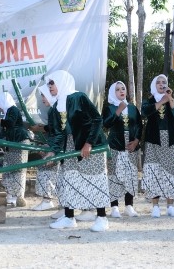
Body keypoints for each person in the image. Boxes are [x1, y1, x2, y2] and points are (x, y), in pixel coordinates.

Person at [45, 70, 110, 232]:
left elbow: (97, 119)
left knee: (95, 180)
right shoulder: (55, 108)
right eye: (49, 84)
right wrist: (53, 151)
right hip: (70, 146)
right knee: (69, 180)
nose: (50, 87)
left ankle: (102, 218)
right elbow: (58, 134)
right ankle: (69, 218)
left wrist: (89, 143)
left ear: (61, 81)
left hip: (90, 145)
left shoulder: (78, 97)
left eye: (52, 83)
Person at [141, 74, 174, 218]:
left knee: (170, 173)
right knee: (154, 172)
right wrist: (161, 101)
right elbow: (145, 112)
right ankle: (155, 207)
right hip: (153, 141)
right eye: (158, 82)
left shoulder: (172, 100)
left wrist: (169, 98)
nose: (161, 84)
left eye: (164, 82)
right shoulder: (149, 101)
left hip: (170, 141)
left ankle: (170, 207)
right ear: (154, 85)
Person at [102, 81, 142, 218]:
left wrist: (136, 141)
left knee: (130, 176)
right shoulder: (109, 108)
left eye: (123, 88)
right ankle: (114, 207)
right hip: (115, 147)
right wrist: (118, 110)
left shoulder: (133, 108)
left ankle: (129, 206)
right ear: (113, 92)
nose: (121, 91)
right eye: (118, 89)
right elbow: (106, 124)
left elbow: (139, 126)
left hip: (131, 149)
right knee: (114, 177)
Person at [0, 92, 30, 207]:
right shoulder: (8, 112)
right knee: (9, 168)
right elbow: (7, 129)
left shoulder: (13, 110)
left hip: (19, 143)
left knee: (17, 169)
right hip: (13, 144)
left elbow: (10, 124)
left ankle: (18, 197)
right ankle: (11, 195)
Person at [29, 84, 62, 211]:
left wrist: (51, 148)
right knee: (49, 172)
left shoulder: (56, 109)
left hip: (55, 146)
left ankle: (48, 200)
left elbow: (58, 131)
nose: (42, 98)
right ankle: (50, 200)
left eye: (44, 95)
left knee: (48, 171)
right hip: (53, 145)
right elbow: (53, 128)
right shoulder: (53, 109)